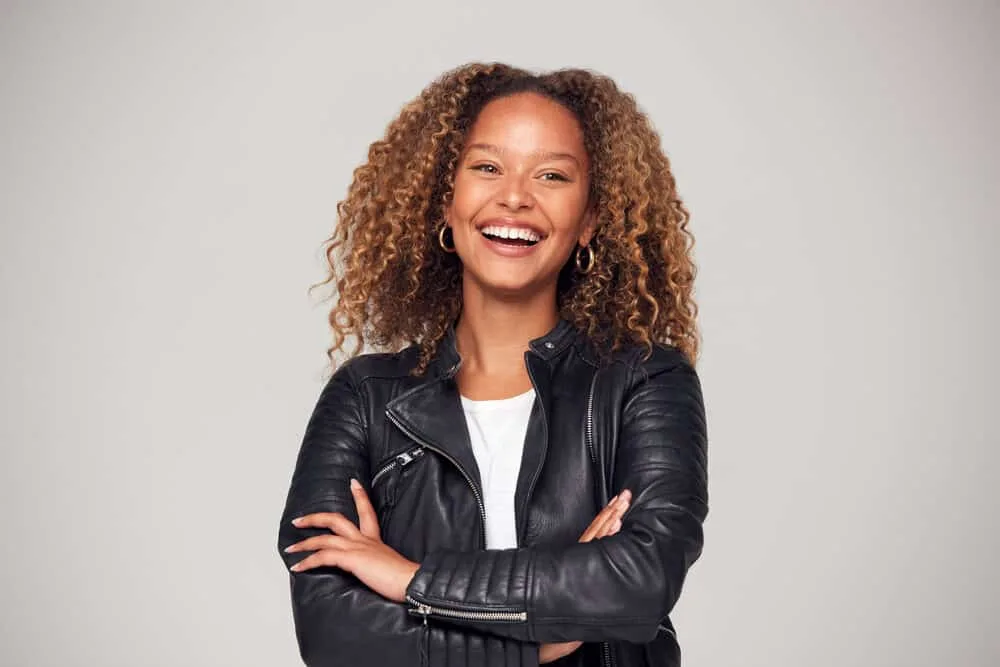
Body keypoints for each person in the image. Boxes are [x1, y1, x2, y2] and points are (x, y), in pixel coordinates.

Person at [276, 62, 708, 667]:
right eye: (486, 167)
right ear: (443, 203)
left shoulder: (644, 382)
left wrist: (409, 581)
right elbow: (334, 638)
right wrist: (549, 635)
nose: (515, 195)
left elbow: (639, 584)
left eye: (552, 175)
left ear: (589, 220)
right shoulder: (365, 399)